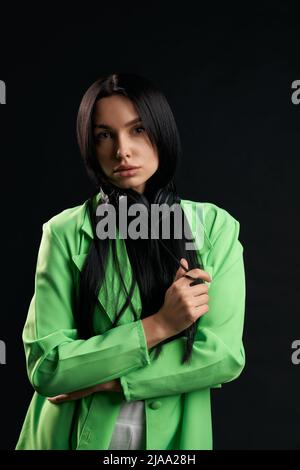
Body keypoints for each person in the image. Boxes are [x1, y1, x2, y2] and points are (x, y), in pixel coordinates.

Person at [15, 72, 246, 450]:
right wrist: (158, 326)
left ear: (162, 131)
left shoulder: (214, 227)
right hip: (67, 437)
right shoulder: (64, 232)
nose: (121, 150)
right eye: (104, 135)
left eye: (138, 130)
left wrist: (103, 381)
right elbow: (49, 367)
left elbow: (222, 356)